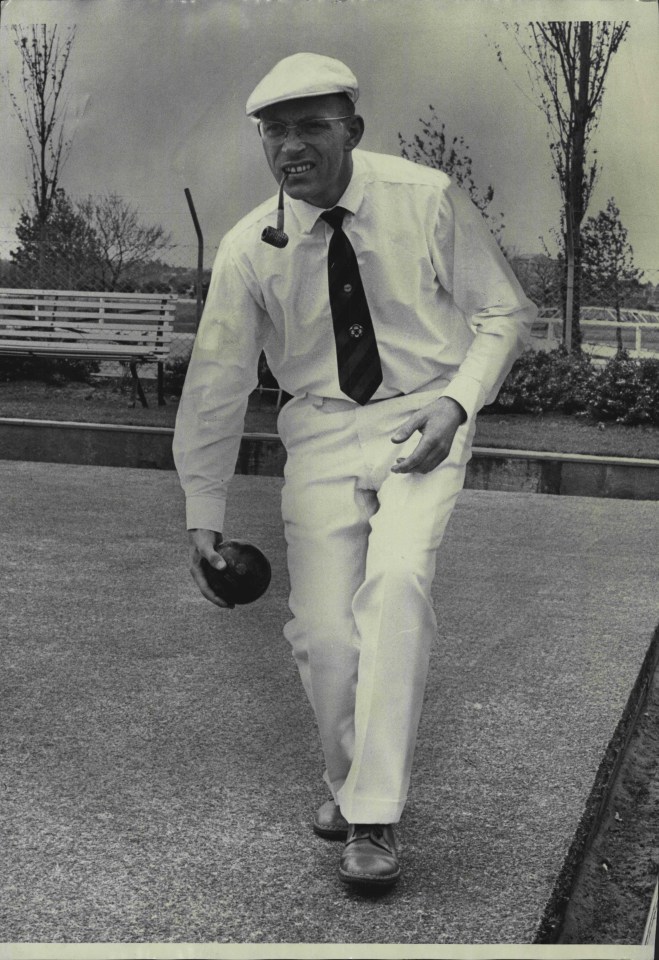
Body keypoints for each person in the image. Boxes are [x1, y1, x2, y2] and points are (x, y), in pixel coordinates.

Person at [173, 52, 537, 889]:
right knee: (326, 636)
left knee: (399, 584)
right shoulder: (247, 245)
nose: (289, 149)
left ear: (352, 131)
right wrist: (203, 510)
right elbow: (217, 380)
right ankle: (346, 784)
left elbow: (502, 313)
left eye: (309, 128)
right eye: (274, 133)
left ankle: (372, 815)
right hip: (323, 432)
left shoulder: (425, 197)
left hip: (422, 411)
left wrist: (457, 407)